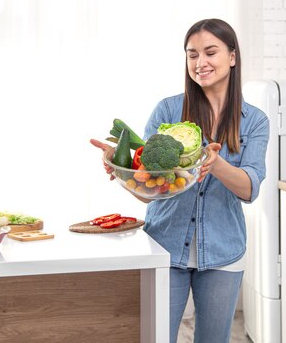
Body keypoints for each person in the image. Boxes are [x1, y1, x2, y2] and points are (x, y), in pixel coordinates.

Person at [91, 18, 268, 343]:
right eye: (192, 54)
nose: (200, 63)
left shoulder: (254, 120)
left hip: (223, 251)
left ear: (232, 56)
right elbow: (149, 193)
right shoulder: (167, 111)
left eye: (210, 52)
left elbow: (249, 188)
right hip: (164, 247)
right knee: (156, 338)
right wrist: (120, 166)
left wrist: (213, 163)